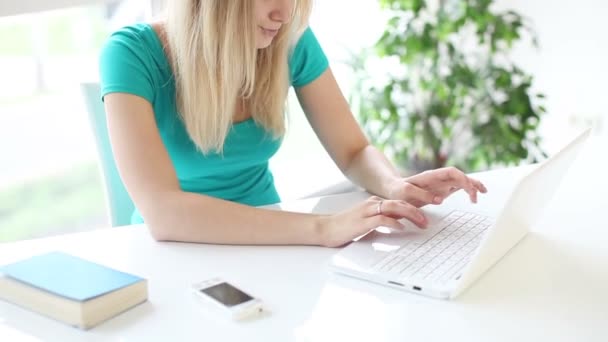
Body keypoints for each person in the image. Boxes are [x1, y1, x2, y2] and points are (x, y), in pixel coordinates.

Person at [99, 0, 487, 248]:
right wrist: (323, 228)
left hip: (275, 242)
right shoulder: (130, 54)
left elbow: (354, 152)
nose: (285, 14)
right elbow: (164, 213)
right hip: (176, 251)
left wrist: (395, 185)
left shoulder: (287, 40)